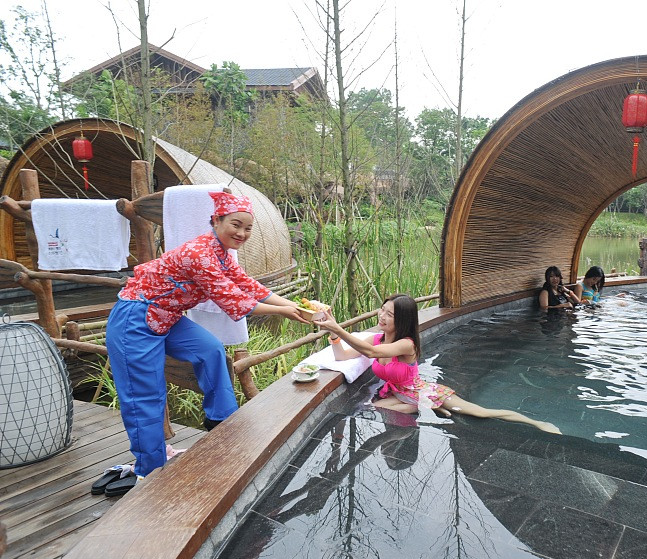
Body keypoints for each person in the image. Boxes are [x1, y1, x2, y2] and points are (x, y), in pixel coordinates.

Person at [102, 191, 308, 494]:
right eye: (235, 225)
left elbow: (248, 286)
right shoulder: (200, 253)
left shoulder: (222, 253)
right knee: (146, 397)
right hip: (135, 319)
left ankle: (221, 423)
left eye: (248, 228)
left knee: (210, 350)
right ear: (216, 220)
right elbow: (235, 301)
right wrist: (287, 312)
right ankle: (149, 469)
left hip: (168, 317)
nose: (241, 233)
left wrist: (294, 306)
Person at [314, 294, 562, 434]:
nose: (381, 316)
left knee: (478, 412)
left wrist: (337, 326)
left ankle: (535, 422)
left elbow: (368, 351)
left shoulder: (407, 345)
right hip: (399, 394)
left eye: (389, 314)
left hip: (420, 391)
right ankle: (426, 409)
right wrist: (334, 334)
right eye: (382, 310)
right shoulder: (376, 338)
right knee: (371, 408)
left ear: (403, 320)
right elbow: (343, 356)